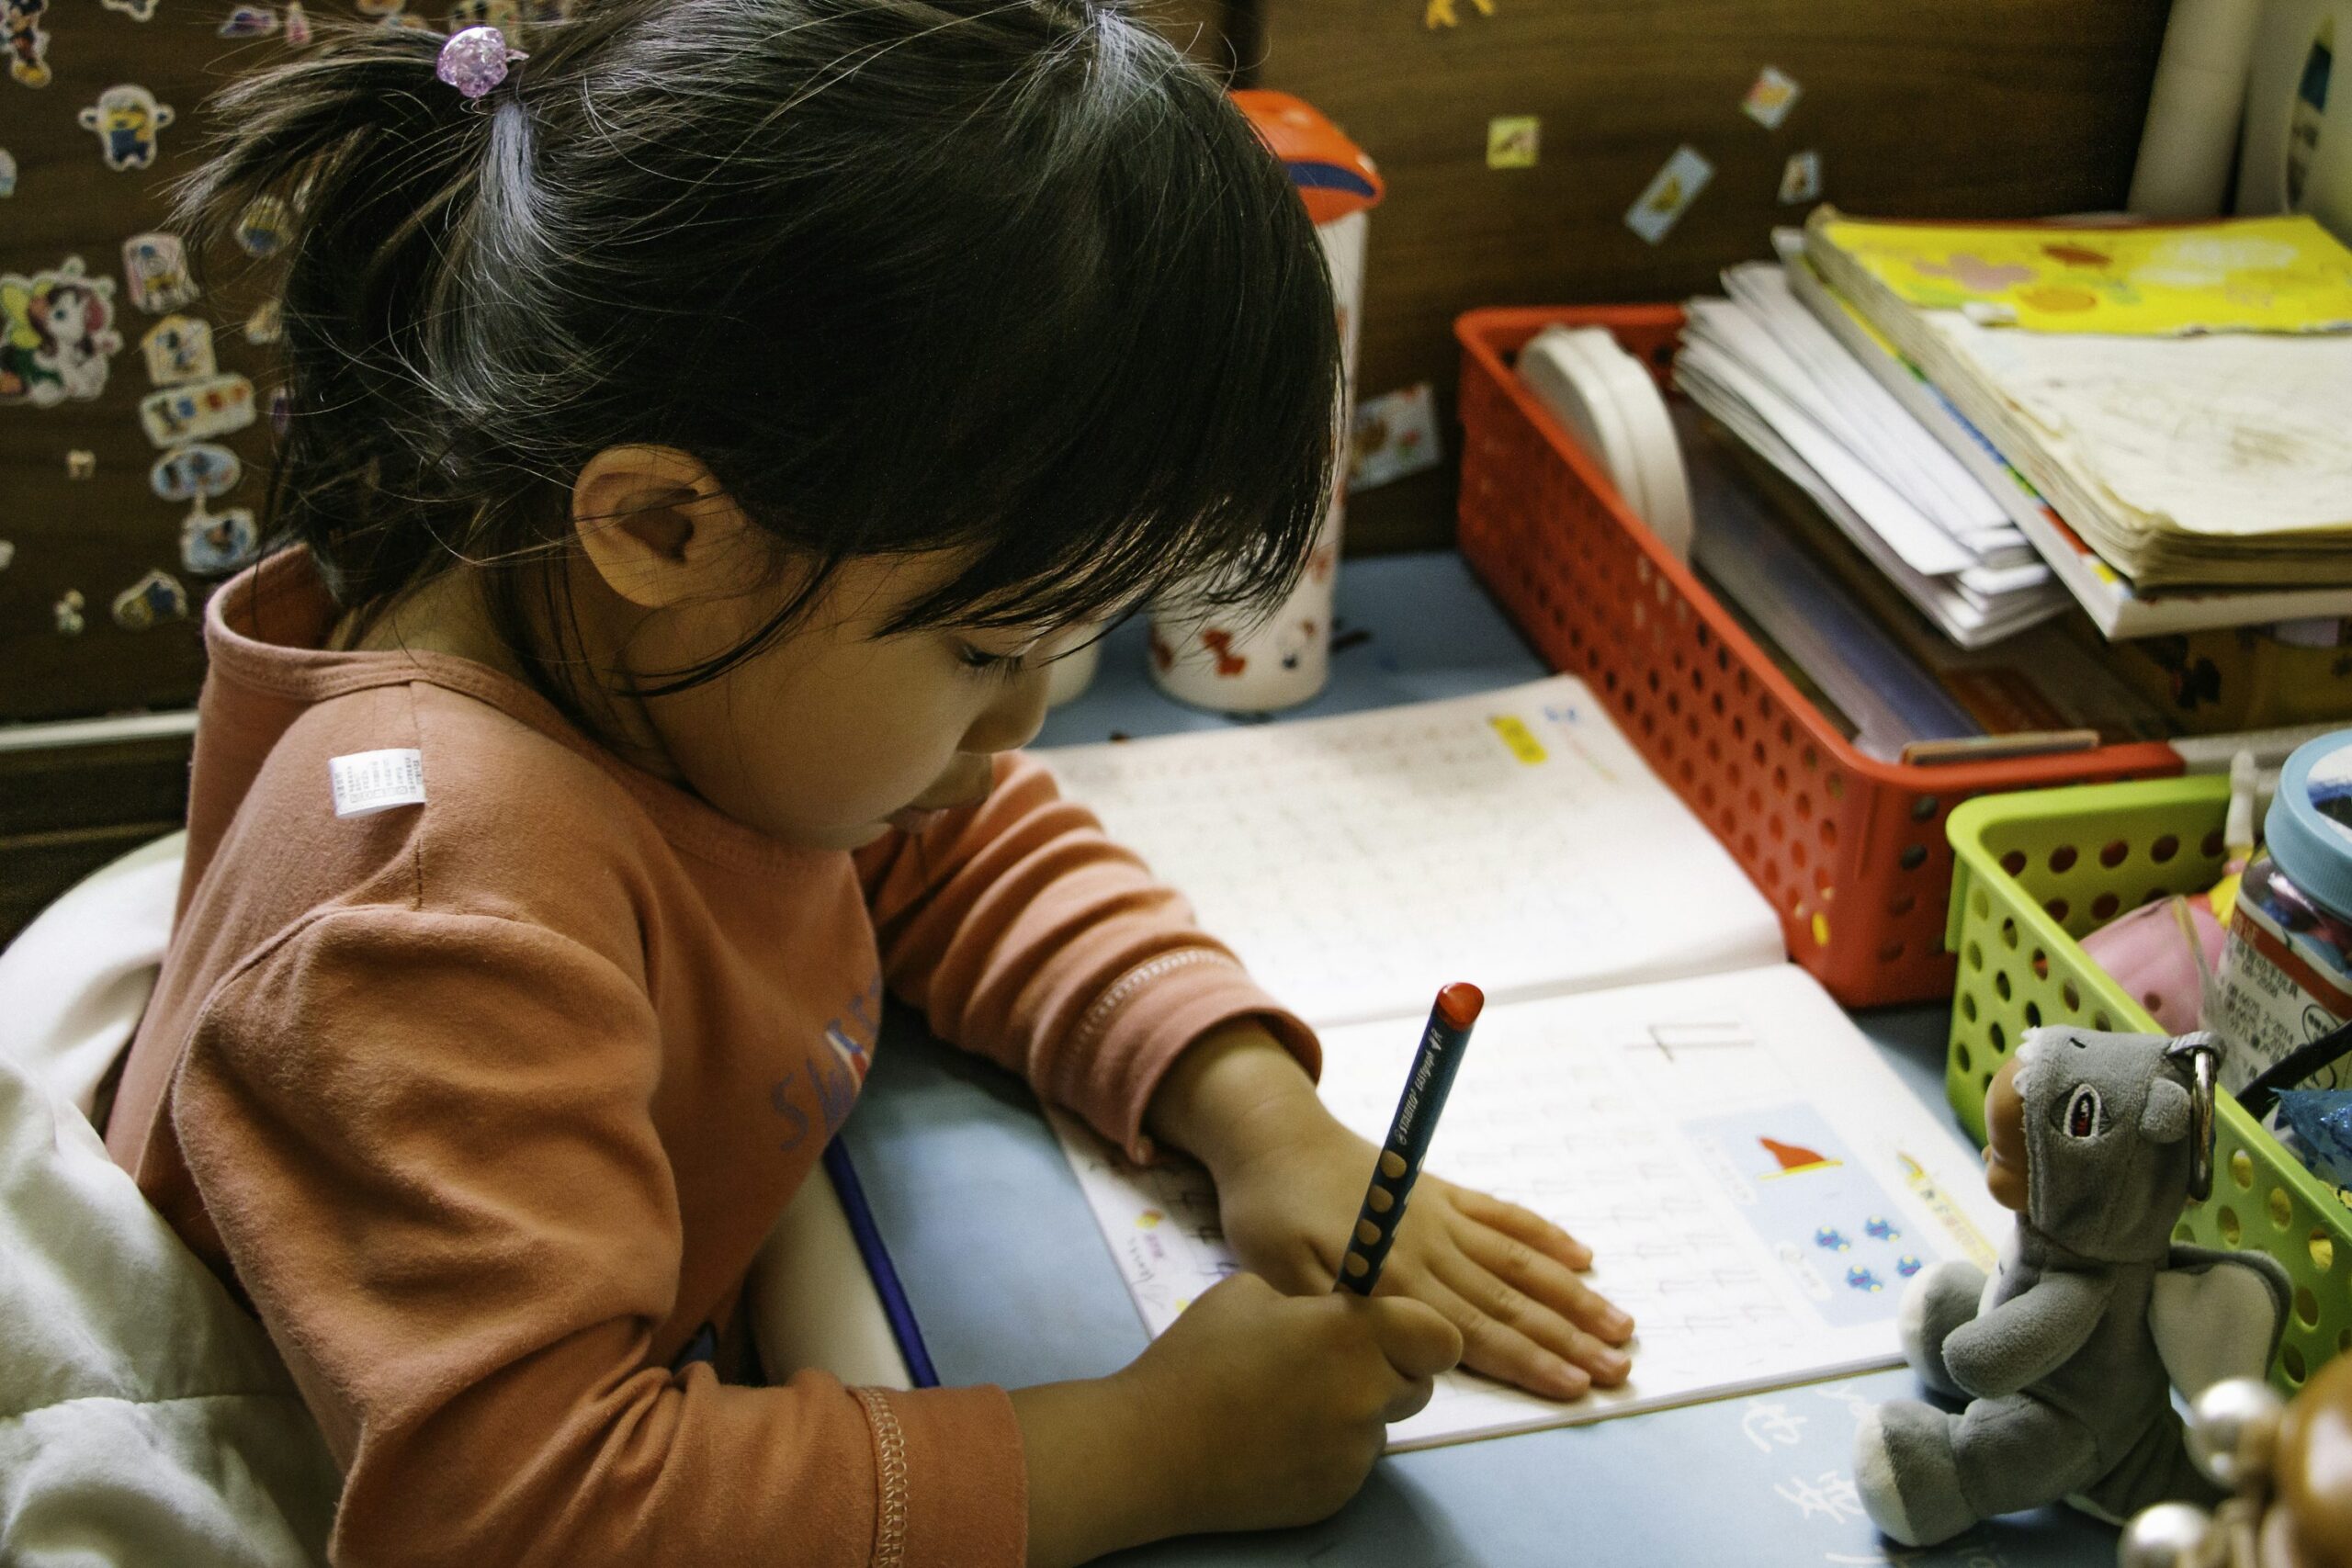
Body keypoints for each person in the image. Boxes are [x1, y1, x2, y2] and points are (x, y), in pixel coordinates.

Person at [103, 4, 1634, 1562]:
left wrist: (1251, 1112)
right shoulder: (442, 913)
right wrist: (1145, 1450)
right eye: (983, 650)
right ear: (665, 529)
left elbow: (942, 845)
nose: (1022, 723)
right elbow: (527, 1516)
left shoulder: (641, 641)